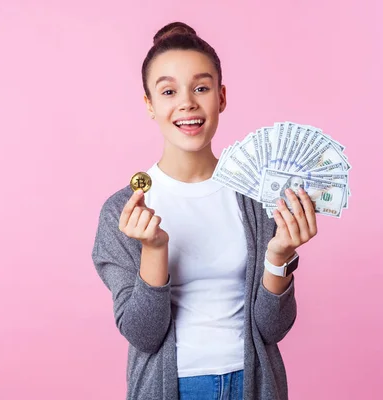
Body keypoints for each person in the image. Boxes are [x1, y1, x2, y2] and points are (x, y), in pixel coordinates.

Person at [92, 21, 318, 400]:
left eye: (201, 87)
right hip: (173, 389)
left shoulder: (256, 197)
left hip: (253, 384)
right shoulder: (123, 211)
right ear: (149, 104)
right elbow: (143, 334)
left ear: (222, 97)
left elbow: (272, 328)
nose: (187, 103)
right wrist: (154, 250)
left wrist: (279, 255)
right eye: (168, 91)